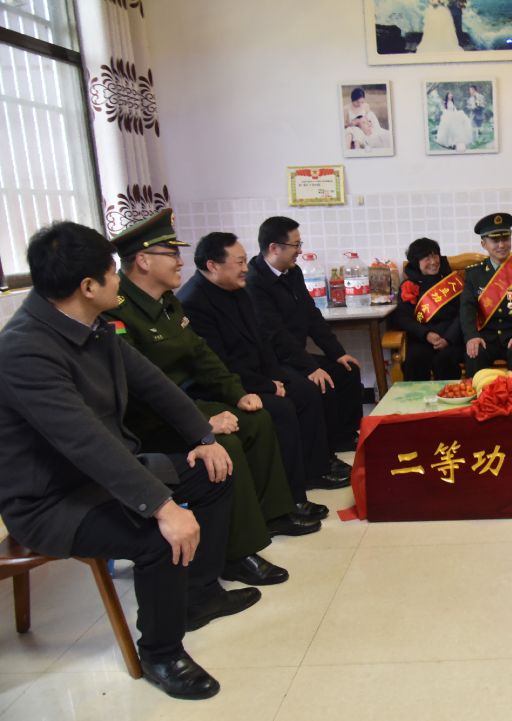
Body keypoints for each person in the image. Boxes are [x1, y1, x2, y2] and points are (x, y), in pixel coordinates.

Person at [0, 221, 259, 699]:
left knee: (214, 472)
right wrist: (162, 506)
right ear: (88, 286)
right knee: (158, 537)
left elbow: (153, 382)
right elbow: (84, 442)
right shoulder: (25, 350)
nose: (119, 281)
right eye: (112, 273)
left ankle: (198, 596)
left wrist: (202, 436)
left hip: (108, 476)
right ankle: (162, 653)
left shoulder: (91, 325)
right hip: (54, 500)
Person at [104, 210, 320, 587]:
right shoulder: (116, 310)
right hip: (146, 420)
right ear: (143, 260)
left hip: (178, 407)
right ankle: (237, 553)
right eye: (171, 254)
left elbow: (203, 356)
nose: (180, 261)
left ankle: (272, 514)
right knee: (223, 445)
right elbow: (136, 389)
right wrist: (201, 424)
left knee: (257, 418)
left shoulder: (167, 302)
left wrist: (239, 394)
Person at [176, 231, 352, 500]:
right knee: (282, 407)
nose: (246, 268)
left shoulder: (236, 289)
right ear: (213, 266)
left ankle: (315, 469)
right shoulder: (193, 303)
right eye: (239, 262)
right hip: (223, 386)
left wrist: (277, 378)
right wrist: (267, 386)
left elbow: (261, 341)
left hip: (255, 375)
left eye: (245, 260)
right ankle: (290, 497)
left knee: (305, 390)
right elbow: (219, 363)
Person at [246, 216, 365, 453]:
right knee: (320, 385)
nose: (300, 251)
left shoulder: (292, 272)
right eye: (295, 245)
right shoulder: (254, 281)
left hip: (295, 356)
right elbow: (275, 334)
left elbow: (311, 315)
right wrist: (311, 367)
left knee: (347, 370)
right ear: (274, 248)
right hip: (274, 362)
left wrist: (337, 353)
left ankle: (344, 437)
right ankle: (323, 454)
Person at [460, 212, 512, 377]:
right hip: (485, 337)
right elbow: (467, 308)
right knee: (474, 354)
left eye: (506, 239)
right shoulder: (474, 274)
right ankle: (476, 394)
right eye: (495, 241)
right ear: (484, 244)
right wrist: (472, 336)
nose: (502, 245)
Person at [394, 237, 466, 381]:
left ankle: (449, 396)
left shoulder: (452, 282)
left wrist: (448, 339)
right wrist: (426, 334)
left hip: (452, 339)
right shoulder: (408, 285)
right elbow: (402, 317)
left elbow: (463, 313)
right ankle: (417, 396)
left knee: (444, 361)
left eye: (435, 256)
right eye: (426, 258)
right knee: (415, 361)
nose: (433, 262)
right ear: (416, 262)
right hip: (422, 339)